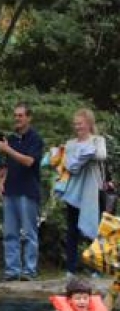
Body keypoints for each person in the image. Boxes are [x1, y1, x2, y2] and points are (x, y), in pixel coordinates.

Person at [0, 103, 44, 281]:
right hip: (11, 190)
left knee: (29, 233)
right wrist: (1, 180)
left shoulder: (35, 139)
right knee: (10, 233)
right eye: (15, 115)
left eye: (21, 115)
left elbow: (29, 162)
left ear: (28, 118)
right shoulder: (11, 138)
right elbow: (8, 164)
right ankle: (12, 270)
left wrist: (8, 149)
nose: (17, 118)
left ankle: (30, 271)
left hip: (28, 191)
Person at [60, 108, 108, 277]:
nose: (77, 127)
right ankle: (70, 269)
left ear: (88, 124)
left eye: (80, 123)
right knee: (72, 230)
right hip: (74, 192)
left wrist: (86, 153)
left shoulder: (97, 140)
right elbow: (68, 163)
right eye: (75, 124)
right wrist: (78, 156)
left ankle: (96, 269)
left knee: (94, 230)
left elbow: (102, 155)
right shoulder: (71, 143)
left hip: (94, 192)